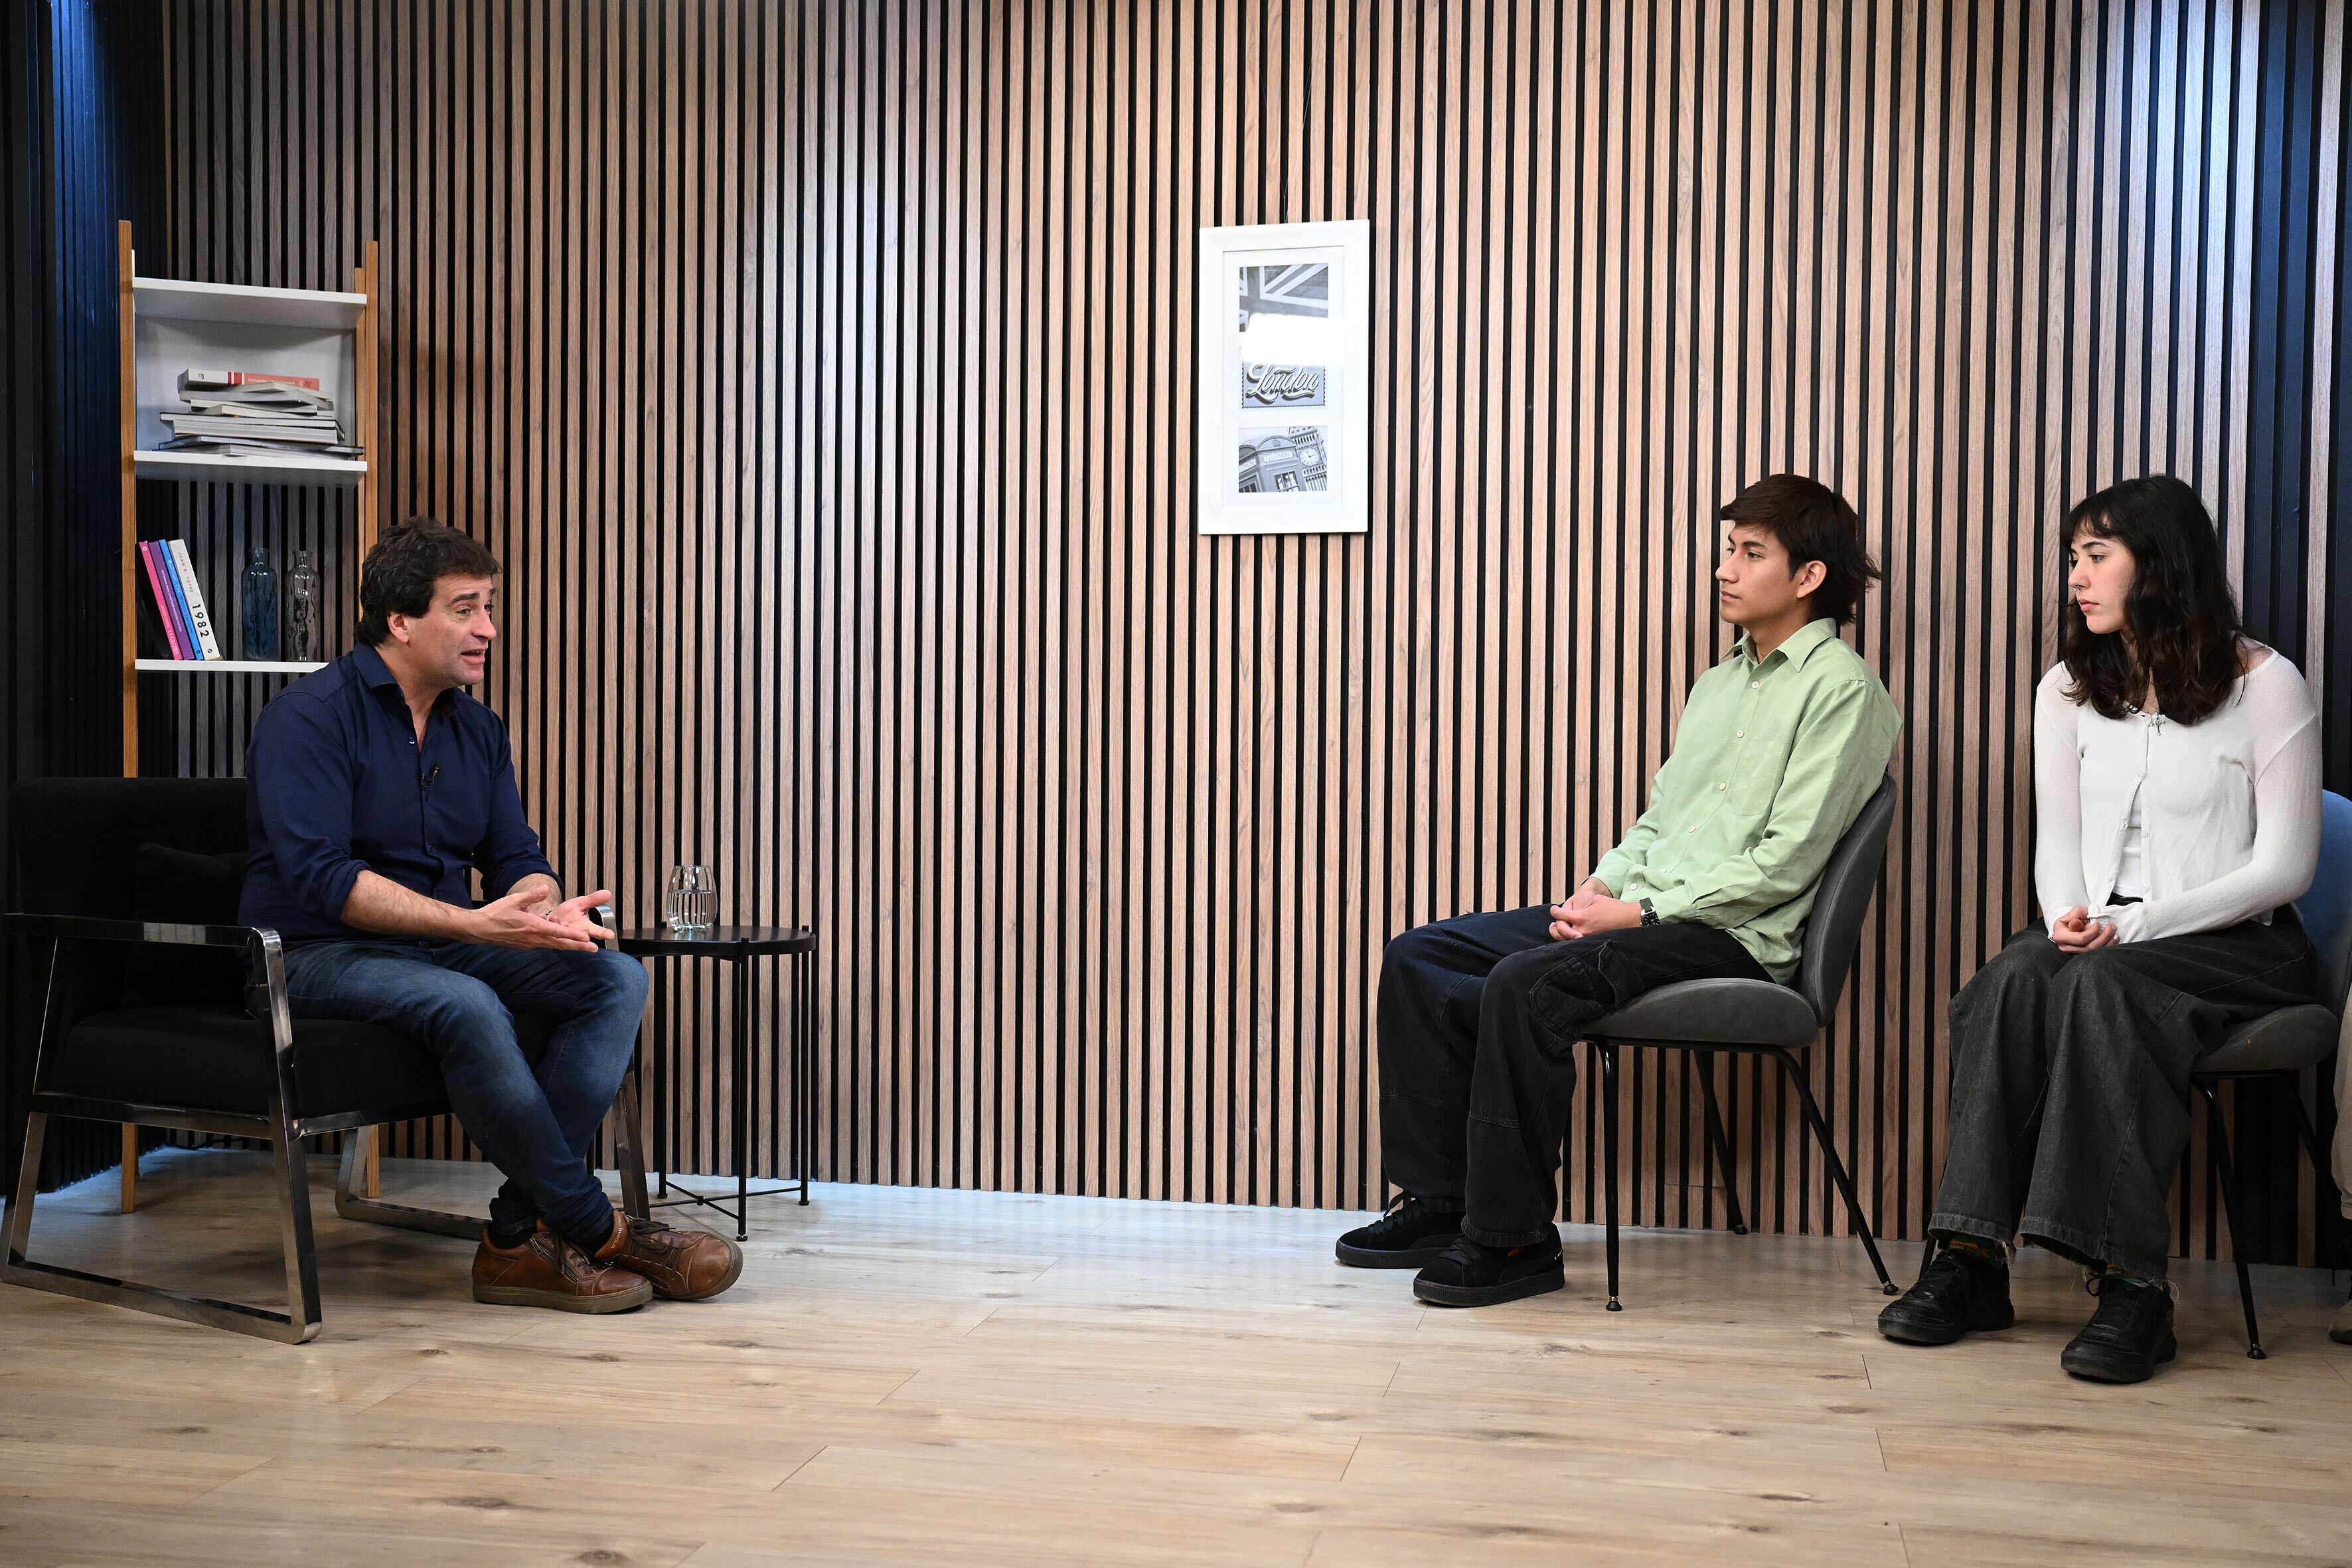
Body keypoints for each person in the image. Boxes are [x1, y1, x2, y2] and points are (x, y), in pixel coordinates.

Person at [1338, 475, 1900, 1307]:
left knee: (1526, 984)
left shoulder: (1843, 691)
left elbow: (1783, 866)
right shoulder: (1719, 684)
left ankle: (1514, 1238)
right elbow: (1660, 821)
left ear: (1809, 576)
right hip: (1647, 910)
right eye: (1729, 549)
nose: (1726, 569)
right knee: (1422, 956)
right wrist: (1600, 885)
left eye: (1751, 553)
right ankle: (1443, 1200)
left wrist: (1635, 913)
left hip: (1735, 936)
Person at [1877, 475, 2321, 1382]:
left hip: (2239, 941)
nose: (2074, 577)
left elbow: (2286, 869)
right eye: (2071, 558)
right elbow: (2059, 842)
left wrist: (2136, 927)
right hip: (2103, 935)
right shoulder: (2067, 688)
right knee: (2008, 979)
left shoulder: (2267, 684)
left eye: (2094, 556)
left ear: (2158, 562)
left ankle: (2134, 1287)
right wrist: (2066, 918)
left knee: (2103, 985)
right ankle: (1970, 1258)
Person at [241, 520, 742, 1313]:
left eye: (489, 606)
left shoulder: (476, 727)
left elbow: (513, 854)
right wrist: (473, 923)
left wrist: (544, 907)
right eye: (466, 608)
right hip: (312, 954)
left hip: (437, 945)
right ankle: (600, 1227)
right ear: (400, 621)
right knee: (467, 1002)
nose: (489, 629)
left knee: (614, 977)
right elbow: (323, 880)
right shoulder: (308, 718)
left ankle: (518, 1233)